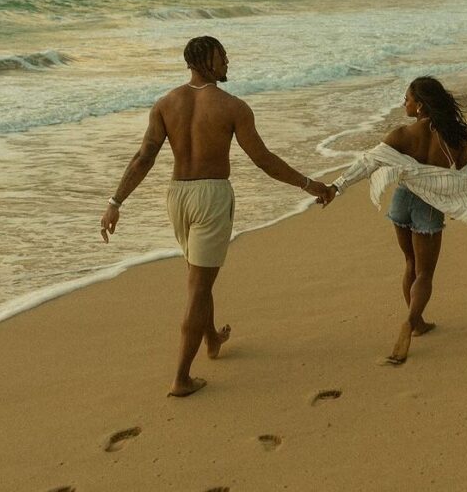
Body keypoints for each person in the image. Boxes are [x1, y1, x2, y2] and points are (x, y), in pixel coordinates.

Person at [99, 35, 333, 397]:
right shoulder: (232, 107)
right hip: (211, 196)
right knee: (198, 288)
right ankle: (181, 378)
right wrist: (308, 184)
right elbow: (263, 159)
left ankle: (211, 339)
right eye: (222, 57)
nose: (227, 63)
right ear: (206, 60)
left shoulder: (165, 104)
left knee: (198, 276)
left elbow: (143, 157)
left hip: (177, 196)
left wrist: (115, 201)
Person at [330, 75, 467, 365]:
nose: (404, 102)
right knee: (425, 274)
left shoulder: (402, 135)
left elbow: (367, 163)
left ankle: (417, 323)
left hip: (401, 201)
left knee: (410, 264)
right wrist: (453, 199)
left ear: (420, 105)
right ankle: (411, 321)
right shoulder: (454, 139)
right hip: (430, 206)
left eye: (407, 98)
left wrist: (336, 187)